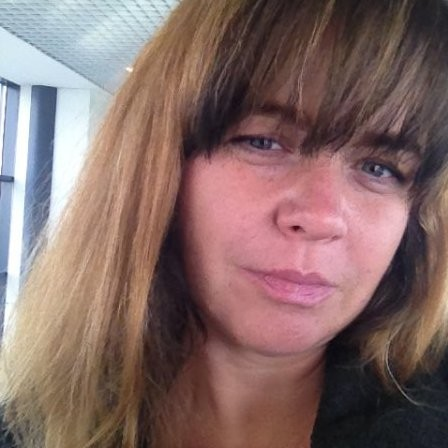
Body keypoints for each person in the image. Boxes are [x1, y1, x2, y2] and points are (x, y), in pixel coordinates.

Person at [1, 0, 448, 446]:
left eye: (379, 169)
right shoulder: (27, 431)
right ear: (161, 166)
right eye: (262, 142)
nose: (321, 217)